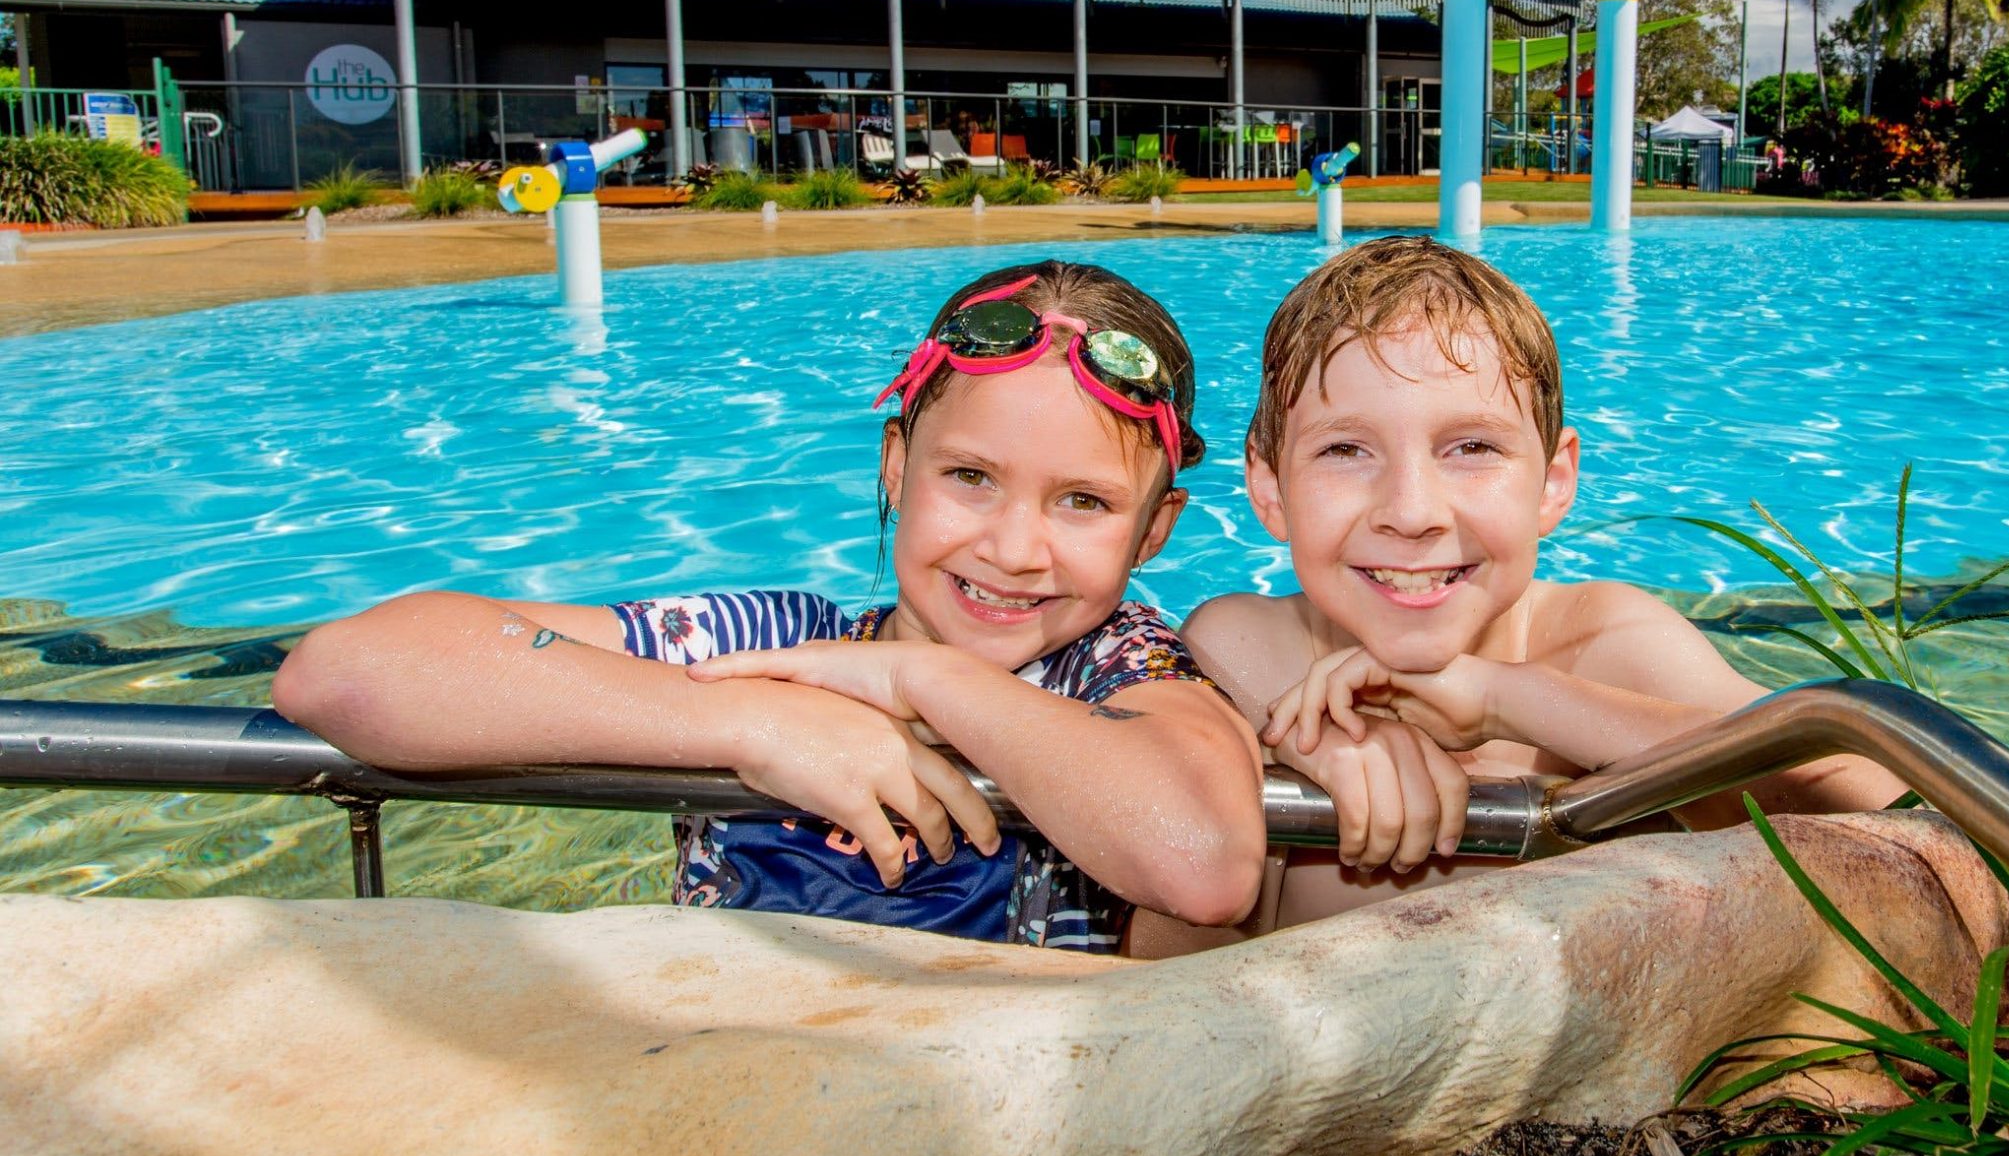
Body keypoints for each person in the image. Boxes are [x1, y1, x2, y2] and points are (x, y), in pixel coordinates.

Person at [275, 261, 1266, 952]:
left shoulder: (1114, 669)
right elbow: (344, 670)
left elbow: (1205, 858)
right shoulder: (772, 647)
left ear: (1153, 531)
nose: (1013, 547)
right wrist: (742, 722)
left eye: (1082, 501)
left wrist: (929, 677)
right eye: (969, 476)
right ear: (896, 466)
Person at [1181, 236, 1900, 929]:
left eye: (1471, 447)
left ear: (1554, 481)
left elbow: (1890, 809)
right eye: (1345, 449)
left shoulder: (1605, 643)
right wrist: (1280, 747)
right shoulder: (1244, 652)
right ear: (1269, 486)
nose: (1412, 512)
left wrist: (1508, 699)